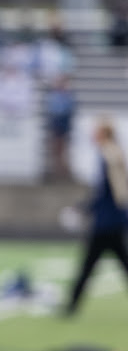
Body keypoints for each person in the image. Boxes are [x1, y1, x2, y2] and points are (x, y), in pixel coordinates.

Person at [64, 119, 128, 316]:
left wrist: (83, 208)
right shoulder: (113, 152)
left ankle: (71, 306)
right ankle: (71, 305)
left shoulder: (108, 155)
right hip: (114, 220)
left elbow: (108, 193)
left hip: (107, 222)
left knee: (87, 266)